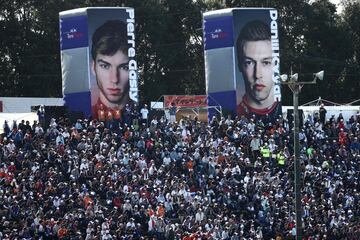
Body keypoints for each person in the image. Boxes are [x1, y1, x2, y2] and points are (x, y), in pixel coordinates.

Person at [236, 20, 281, 122]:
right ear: (240, 65)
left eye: (266, 63)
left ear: (276, 65)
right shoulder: (236, 115)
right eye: (249, 62)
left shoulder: (283, 112)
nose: (257, 74)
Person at [91, 20, 131, 120]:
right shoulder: (90, 115)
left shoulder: (134, 113)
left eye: (124, 67)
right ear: (93, 67)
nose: (114, 79)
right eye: (105, 66)